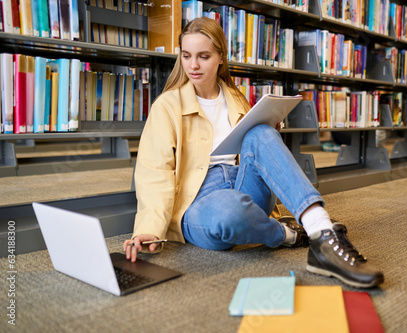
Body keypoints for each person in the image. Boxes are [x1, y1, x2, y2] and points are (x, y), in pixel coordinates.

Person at [122, 17, 383, 288]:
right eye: (186, 56)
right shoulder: (167, 106)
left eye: (204, 56)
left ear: (221, 58)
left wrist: (270, 131)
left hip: (242, 183)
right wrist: (148, 229)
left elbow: (259, 157)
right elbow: (155, 171)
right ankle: (286, 235)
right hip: (199, 204)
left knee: (260, 133)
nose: (194, 65)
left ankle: (322, 233)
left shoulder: (235, 97)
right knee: (228, 212)